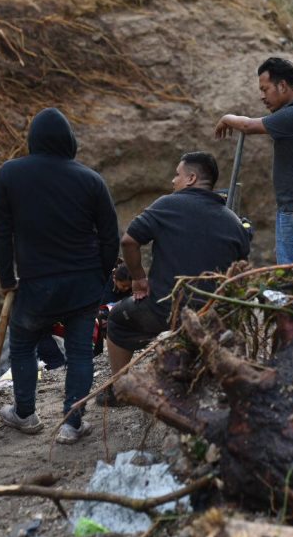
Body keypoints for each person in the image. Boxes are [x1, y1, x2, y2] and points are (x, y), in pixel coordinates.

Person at [0, 107, 119, 444]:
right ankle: (72, 423)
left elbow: (1, 233)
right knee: (79, 352)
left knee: (22, 345)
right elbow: (110, 237)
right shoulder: (91, 180)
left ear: (33, 140)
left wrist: (7, 278)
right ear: (69, 141)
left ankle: (25, 413)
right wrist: (101, 280)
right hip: (82, 284)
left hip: (35, 284)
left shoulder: (10, 174)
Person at [99, 152, 250, 406]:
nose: (172, 181)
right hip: (214, 315)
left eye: (177, 175)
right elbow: (241, 270)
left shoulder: (168, 204)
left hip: (167, 309)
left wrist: (138, 279)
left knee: (117, 321)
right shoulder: (234, 221)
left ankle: (120, 391)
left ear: (191, 178)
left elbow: (129, 240)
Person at [214, 57, 293, 263]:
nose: (262, 96)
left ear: (282, 86)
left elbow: (248, 126)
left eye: (265, 89)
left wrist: (227, 118)